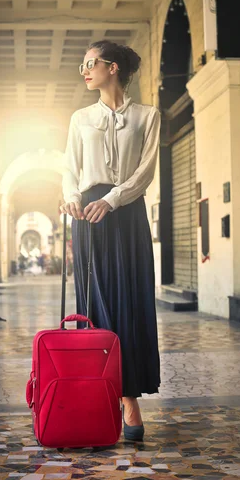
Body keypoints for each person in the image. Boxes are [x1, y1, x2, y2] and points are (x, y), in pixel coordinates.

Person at [60, 40, 161, 442]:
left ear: (112, 67)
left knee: (132, 300)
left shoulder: (147, 116)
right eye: (82, 65)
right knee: (94, 301)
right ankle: (100, 393)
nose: (84, 70)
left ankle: (130, 397)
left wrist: (112, 199)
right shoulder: (80, 118)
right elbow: (70, 168)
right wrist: (72, 196)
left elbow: (145, 171)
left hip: (126, 213)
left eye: (90, 63)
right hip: (88, 217)